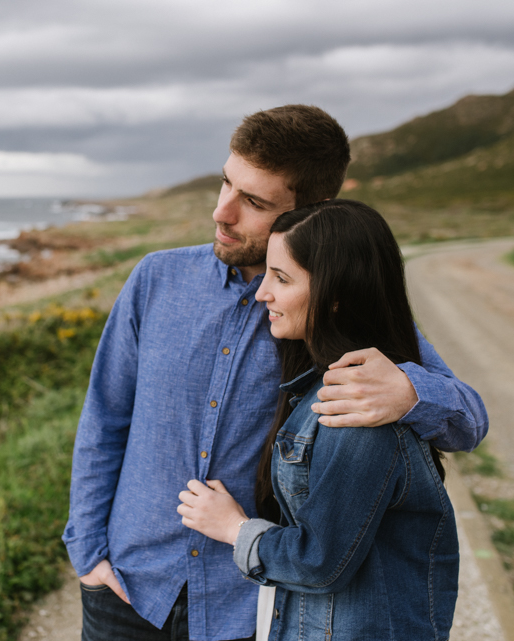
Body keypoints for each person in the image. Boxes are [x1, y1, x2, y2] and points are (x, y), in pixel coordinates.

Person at [62, 105, 486, 641]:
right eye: (225, 183)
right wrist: (87, 554)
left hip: (246, 606)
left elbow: (469, 420)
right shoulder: (155, 279)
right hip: (126, 587)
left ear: (311, 210)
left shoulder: (331, 310)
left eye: (254, 201)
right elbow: (103, 420)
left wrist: (408, 390)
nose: (222, 212)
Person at [178, 199, 459, 640]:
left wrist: (234, 529)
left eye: (281, 278)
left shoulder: (359, 408)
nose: (262, 292)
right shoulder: (323, 384)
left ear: (335, 298)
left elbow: (320, 561)